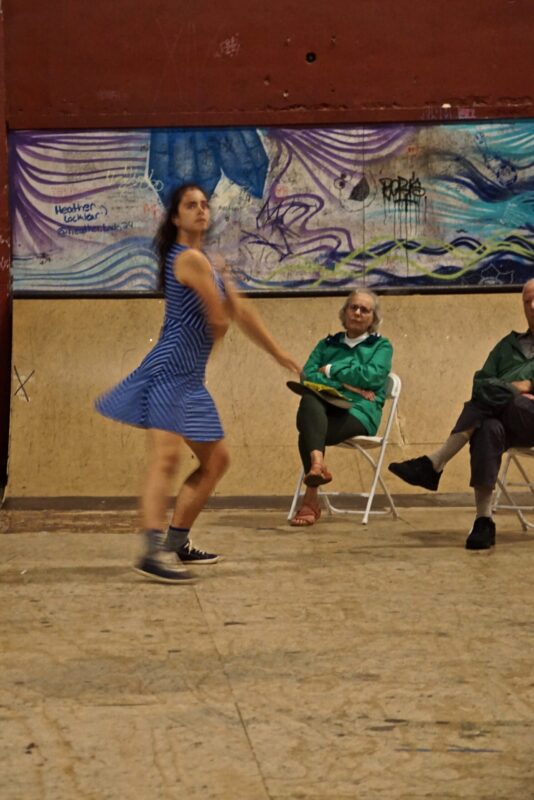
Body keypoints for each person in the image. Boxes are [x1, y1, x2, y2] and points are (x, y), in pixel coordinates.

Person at [96, 183, 300, 582]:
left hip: (190, 378)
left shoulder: (205, 261)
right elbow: (220, 319)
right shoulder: (189, 260)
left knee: (216, 461)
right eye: (191, 206)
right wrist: (220, 310)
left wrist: (278, 353)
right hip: (170, 370)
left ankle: (175, 543)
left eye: (205, 205)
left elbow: (239, 312)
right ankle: (151, 550)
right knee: (166, 458)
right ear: (175, 218)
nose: (201, 211)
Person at [389, 278, 534, 550]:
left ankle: (435, 462)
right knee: (487, 428)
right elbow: (480, 383)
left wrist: (524, 386)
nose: (533, 306)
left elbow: (492, 388)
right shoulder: (508, 344)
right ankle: (484, 520)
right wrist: (516, 388)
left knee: (508, 402)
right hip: (509, 420)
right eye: (527, 301)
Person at [290, 290, 393, 526]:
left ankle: (310, 500)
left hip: (359, 412)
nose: (357, 313)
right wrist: (348, 384)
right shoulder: (328, 343)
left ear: (373, 318)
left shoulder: (381, 346)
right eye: (353, 307)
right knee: (309, 400)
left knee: (308, 432)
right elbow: (307, 376)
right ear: (344, 311)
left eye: (364, 310)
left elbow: (373, 378)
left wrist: (331, 370)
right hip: (327, 407)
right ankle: (317, 465)